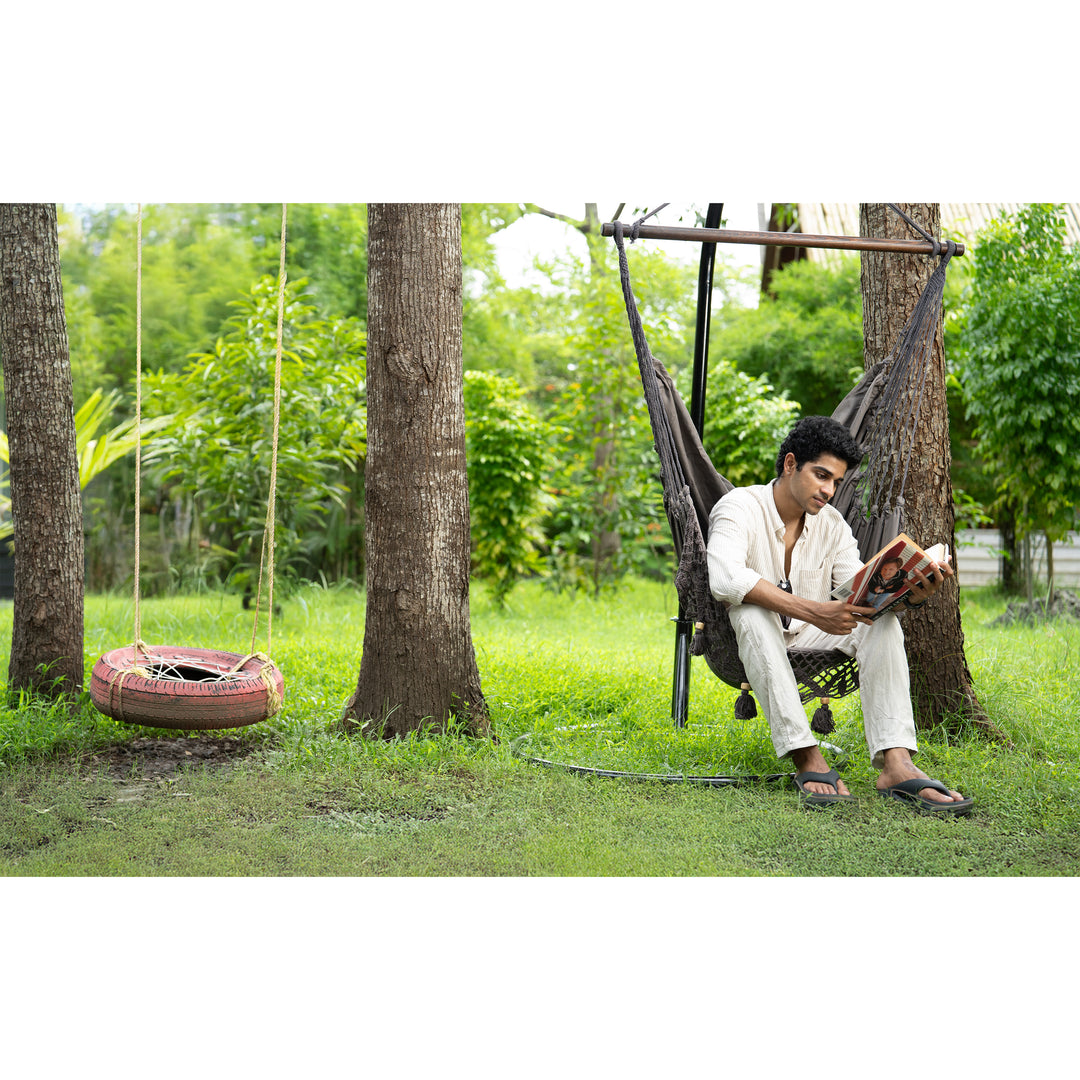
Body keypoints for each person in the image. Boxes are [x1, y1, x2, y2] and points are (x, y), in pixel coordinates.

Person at [706, 415, 973, 814]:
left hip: (811, 631)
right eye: (821, 475)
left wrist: (912, 594)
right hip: (754, 637)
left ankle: (896, 763)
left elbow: (861, 595)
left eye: (836, 481)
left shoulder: (831, 524)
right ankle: (806, 755)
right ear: (791, 464)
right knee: (751, 612)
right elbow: (725, 578)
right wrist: (816, 611)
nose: (829, 490)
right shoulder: (739, 507)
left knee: (881, 622)